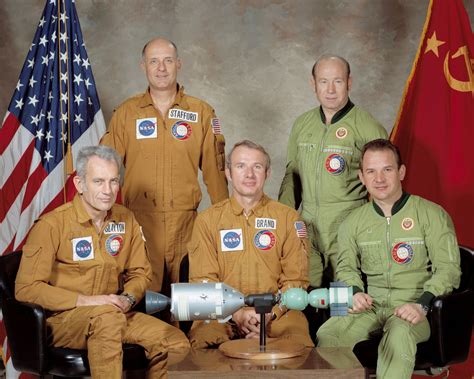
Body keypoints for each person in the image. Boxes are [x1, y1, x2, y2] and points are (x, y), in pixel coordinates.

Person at [15, 146, 190, 379]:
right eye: (98, 181)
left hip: (115, 312)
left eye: (114, 181)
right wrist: (87, 301)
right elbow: (26, 289)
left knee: (176, 342)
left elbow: (140, 273)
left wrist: (128, 298)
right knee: (106, 320)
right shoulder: (52, 226)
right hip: (65, 319)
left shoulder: (125, 219)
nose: (108, 191)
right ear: (79, 184)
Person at [316, 139, 461, 378]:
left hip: (412, 307)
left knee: (398, 335)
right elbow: (345, 267)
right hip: (370, 307)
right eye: (371, 171)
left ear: (401, 172)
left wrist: (422, 304)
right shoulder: (352, 222)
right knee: (328, 334)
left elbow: (449, 270)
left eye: (387, 169)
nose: (379, 179)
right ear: (361, 177)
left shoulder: (432, 215)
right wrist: (353, 293)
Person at [101, 37, 228, 292]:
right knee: (143, 298)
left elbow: (215, 173)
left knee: (189, 301)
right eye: (154, 61)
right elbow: (104, 167)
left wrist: (225, 222)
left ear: (178, 64)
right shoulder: (126, 113)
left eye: (168, 61)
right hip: (139, 224)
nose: (161, 68)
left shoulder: (201, 113)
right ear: (143, 66)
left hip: (186, 224)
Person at [187, 140, 314, 348]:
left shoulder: (288, 219)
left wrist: (269, 314)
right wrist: (236, 313)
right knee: (202, 346)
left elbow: (296, 279)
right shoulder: (207, 221)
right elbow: (203, 281)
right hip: (220, 314)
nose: (249, 174)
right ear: (228, 173)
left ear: (268, 173)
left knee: (300, 347)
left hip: (278, 313)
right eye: (241, 166)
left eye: (257, 167)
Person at [279, 54, 388, 287]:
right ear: (313, 84)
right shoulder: (302, 124)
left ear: (349, 83)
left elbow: (384, 183)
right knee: (305, 298)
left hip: (347, 229)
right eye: (323, 81)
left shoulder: (368, 127)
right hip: (306, 230)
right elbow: (292, 175)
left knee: (342, 303)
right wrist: (284, 219)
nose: (330, 89)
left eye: (337, 81)